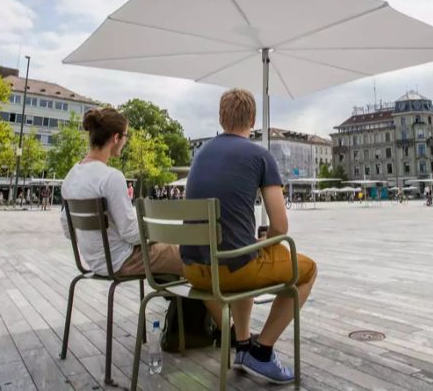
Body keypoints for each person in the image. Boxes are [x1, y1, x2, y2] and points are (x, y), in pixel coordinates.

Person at [184, 89, 316, 384]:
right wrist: (266, 238)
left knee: (246, 252)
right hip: (230, 271)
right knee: (306, 270)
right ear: (253, 120)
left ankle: (242, 344)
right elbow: (280, 226)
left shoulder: (201, 154)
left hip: (193, 270)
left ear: (221, 117)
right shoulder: (260, 155)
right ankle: (263, 350)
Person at [60, 107, 183, 278]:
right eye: (126, 136)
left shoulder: (72, 176)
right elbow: (131, 234)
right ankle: (187, 304)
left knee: (165, 252)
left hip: (94, 262)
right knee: (187, 256)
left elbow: (68, 230)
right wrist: (161, 232)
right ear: (116, 137)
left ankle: (176, 303)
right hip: (122, 260)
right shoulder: (111, 177)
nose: (126, 141)